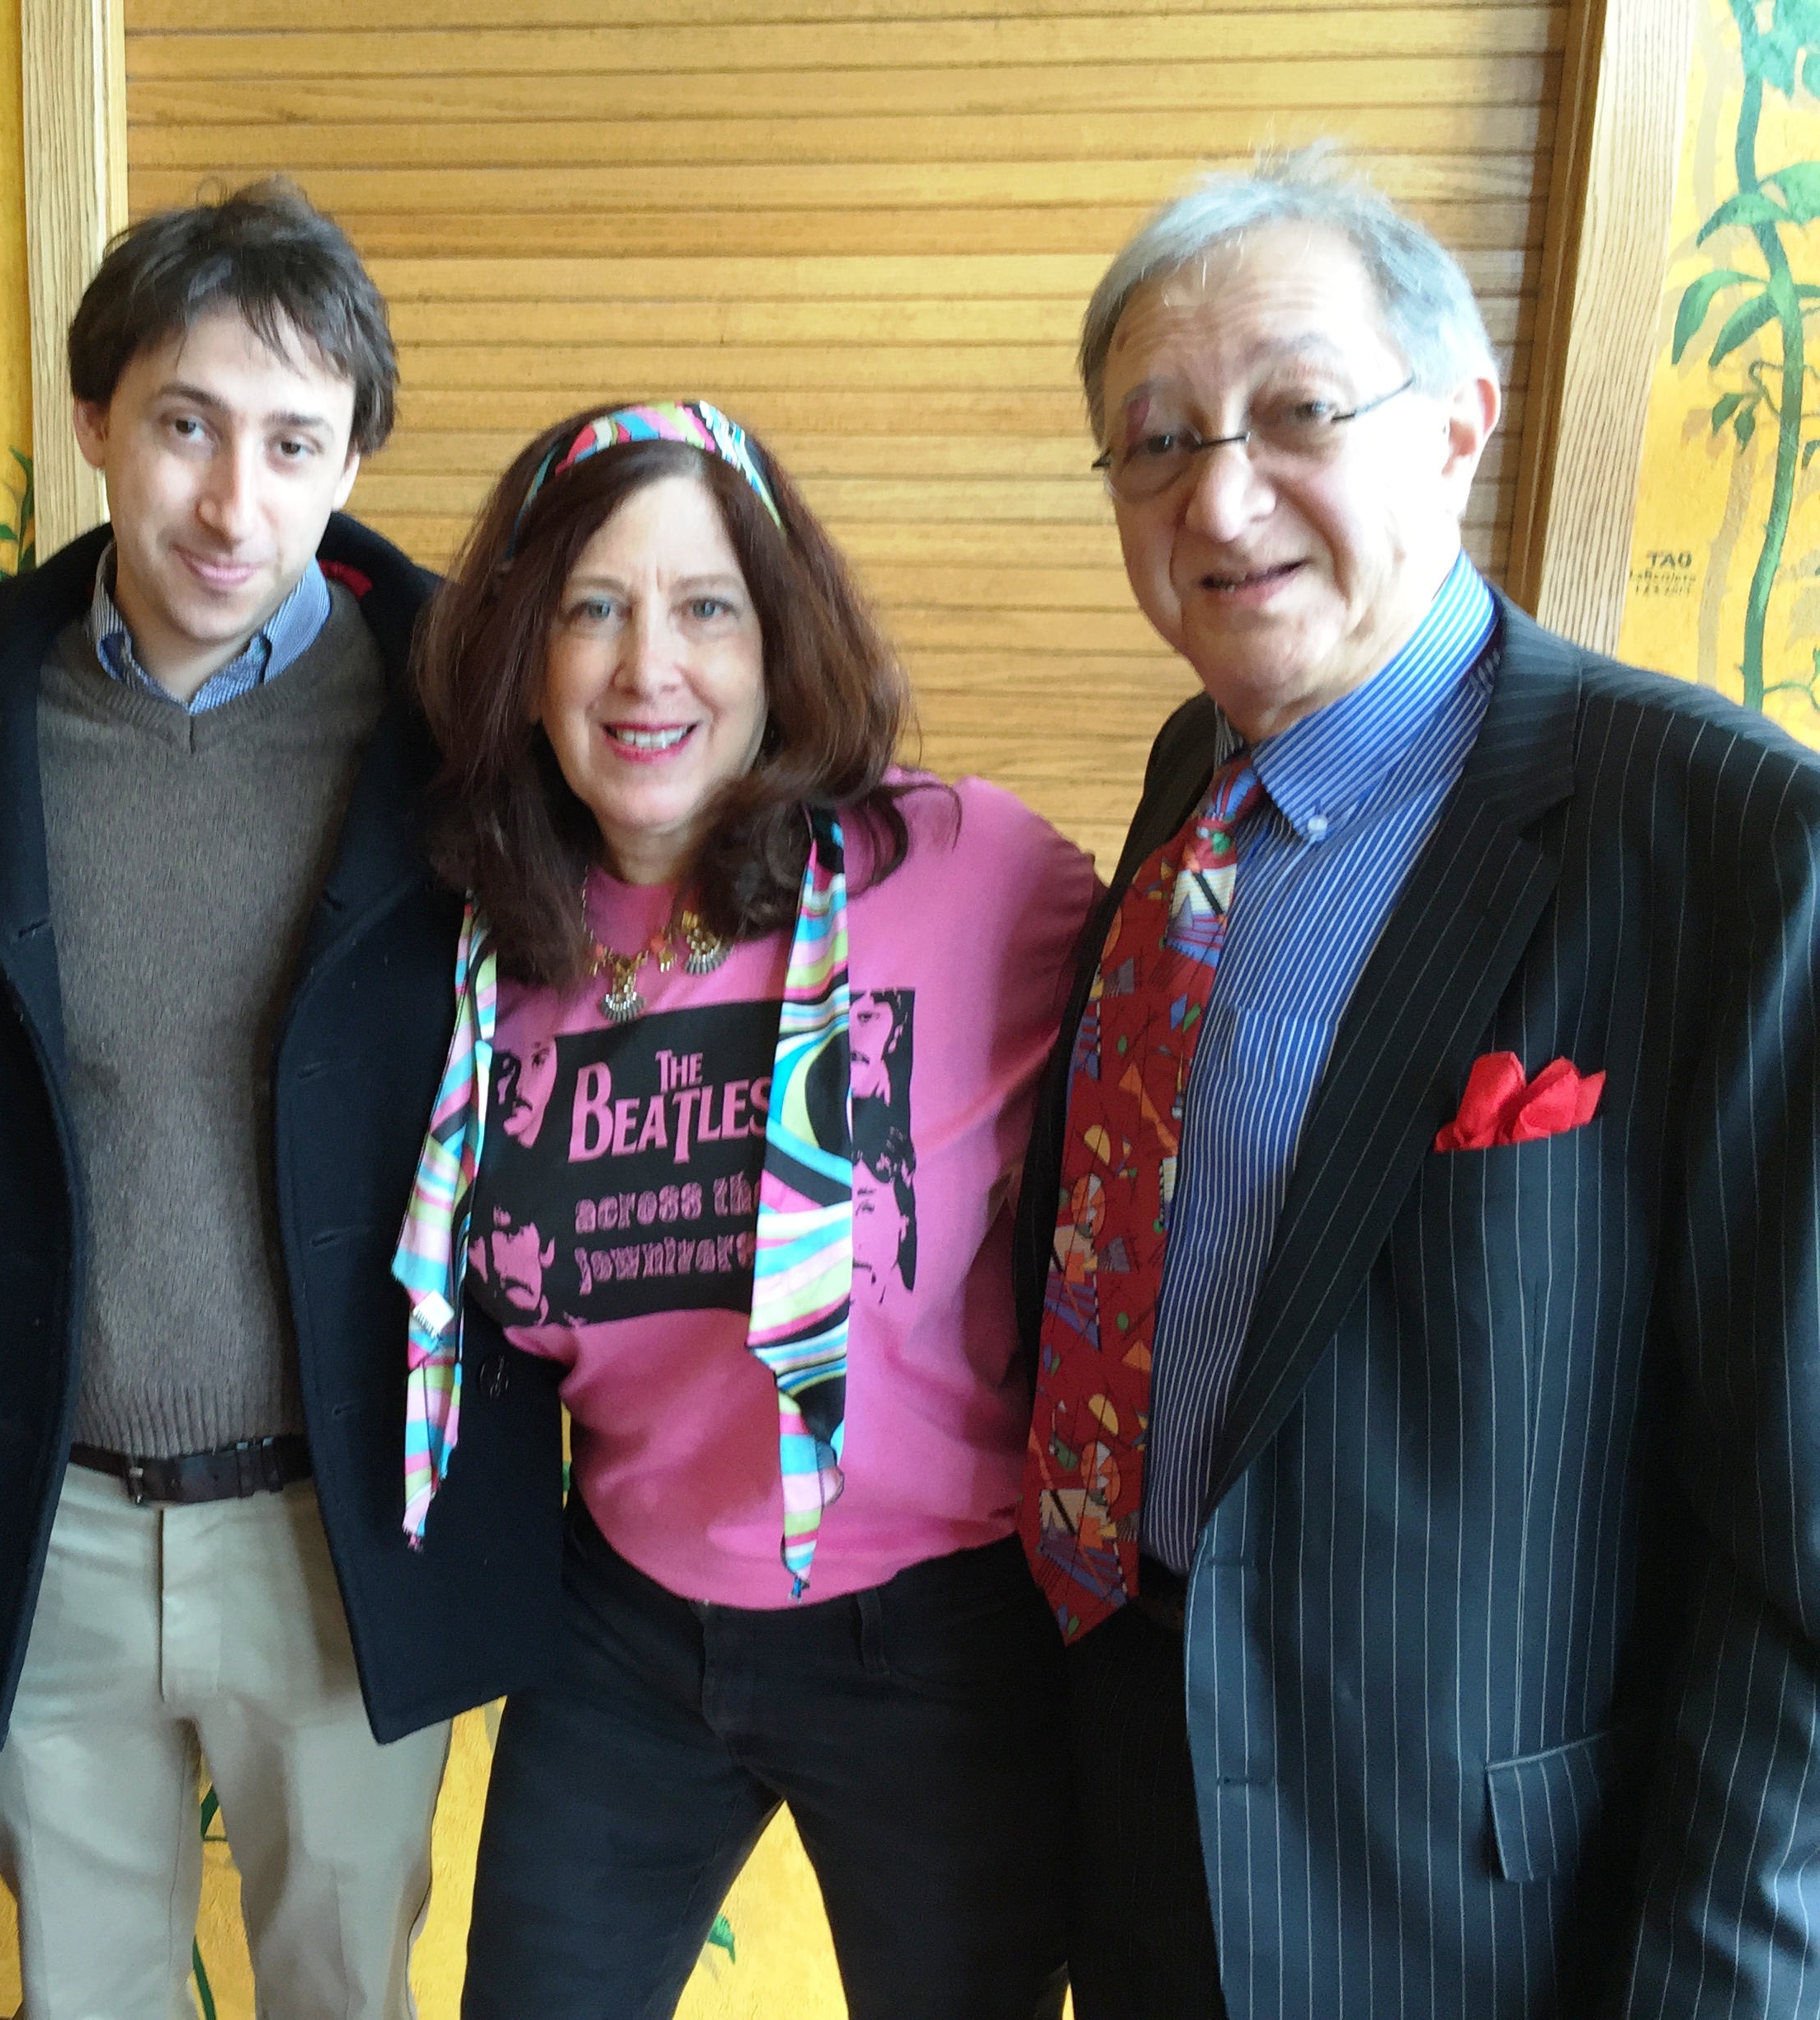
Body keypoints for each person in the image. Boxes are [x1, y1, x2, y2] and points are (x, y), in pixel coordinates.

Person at [1018, 144, 1820, 2019]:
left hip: (1474, 1904)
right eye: (1155, 442)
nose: (1220, 496)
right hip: (1135, 1772)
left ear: (1459, 422)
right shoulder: (1193, 780)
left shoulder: (1725, 837)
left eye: (1299, 411)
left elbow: (1800, 1554)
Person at [0, 179, 564, 2019]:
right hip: (47, 1517)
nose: (232, 503)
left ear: (353, 461)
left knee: (345, 1988)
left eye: (293, 442)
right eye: (185, 425)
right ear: (95, 419)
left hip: (346, 1524)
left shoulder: (475, 728)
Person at [394, 401, 1098, 2018]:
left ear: (779, 640)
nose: (650, 667)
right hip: (623, 1627)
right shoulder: (480, 942)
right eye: (593, 608)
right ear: (523, 653)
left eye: (706, 607)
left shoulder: (974, 871)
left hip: (931, 1635)